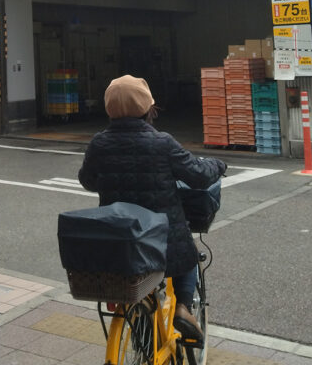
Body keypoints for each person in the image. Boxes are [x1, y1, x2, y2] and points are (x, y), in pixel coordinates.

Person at [78, 75, 226, 341]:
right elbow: (198, 175)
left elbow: (87, 181)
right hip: (162, 237)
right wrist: (219, 165)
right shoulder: (162, 142)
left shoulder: (99, 143)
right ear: (148, 107)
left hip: (119, 238)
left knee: (137, 280)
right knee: (188, 254)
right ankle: (183, 306)